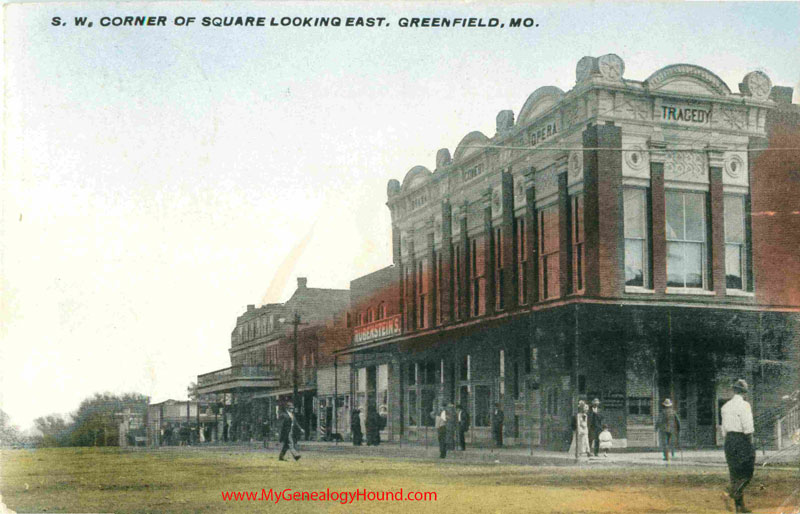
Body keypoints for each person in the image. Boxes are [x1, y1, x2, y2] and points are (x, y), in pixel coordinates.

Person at [721, 379, 755, 513]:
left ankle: (739, 507)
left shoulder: (725, 406)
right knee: (747, 472)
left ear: (734, 390)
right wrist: (750, 443)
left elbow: (723, 429)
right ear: (744, 392)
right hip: (742, 439)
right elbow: (748, 427)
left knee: (734, 474)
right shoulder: (745, 405)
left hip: (729, 440)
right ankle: (728, 491)